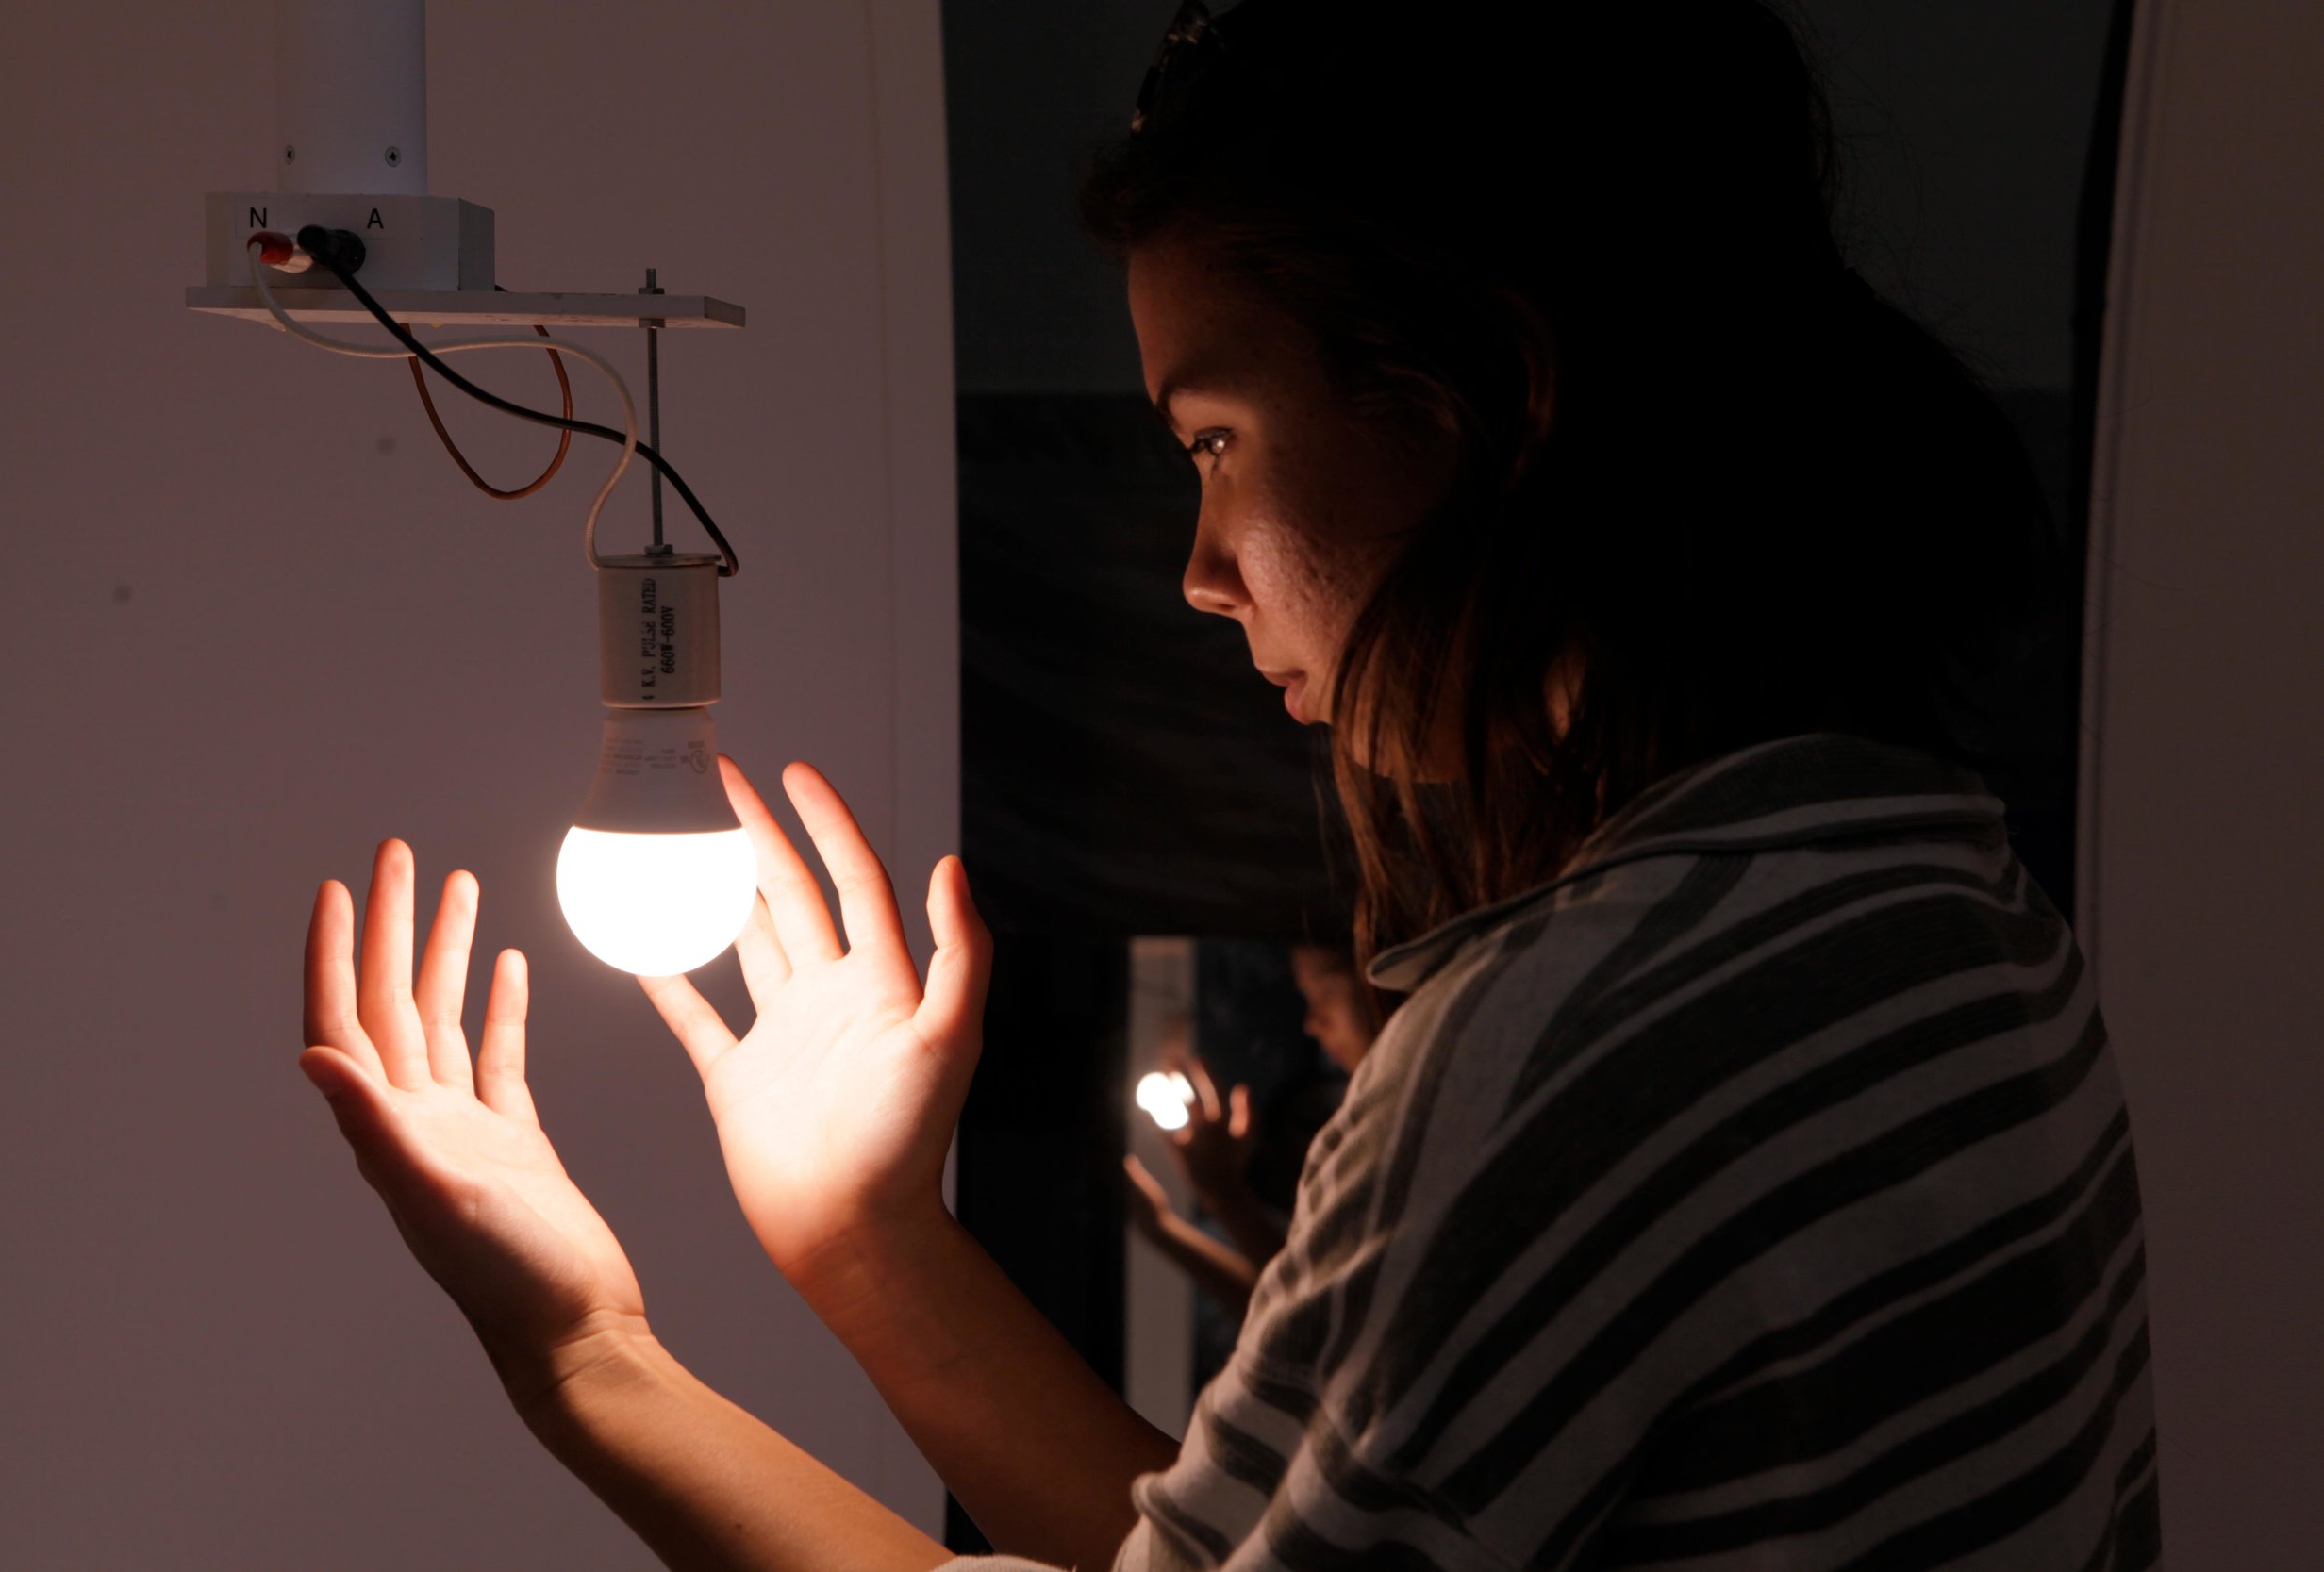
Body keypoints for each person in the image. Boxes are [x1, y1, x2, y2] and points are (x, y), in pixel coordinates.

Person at [293, 4, 2156, 1569]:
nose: (1197, 567)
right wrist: (868, 1236)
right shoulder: (1926, 880)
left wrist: (584, 1353)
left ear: (1476, 397)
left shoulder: (1579, 1038)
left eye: (1214, 440)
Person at [1124, 946, 1379, 1317]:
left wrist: (1224, 1194)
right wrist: (1162, 1227)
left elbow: (1324, 1313)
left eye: (1327, 989)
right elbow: (1278, 1310)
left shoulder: (1411, 1122)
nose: (1312, 1022)